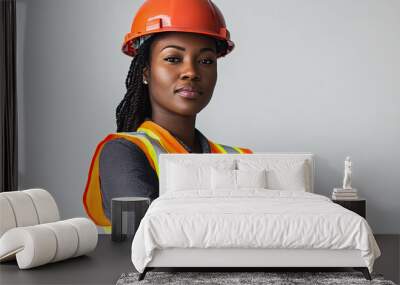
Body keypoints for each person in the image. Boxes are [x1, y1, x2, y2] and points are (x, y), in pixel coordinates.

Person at [83, 0, 253, 227]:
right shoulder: (122, 154)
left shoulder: (240, 158)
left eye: (205, 61)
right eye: (173, 59)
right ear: (146, 72)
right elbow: (142, 234)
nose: (191, 72)